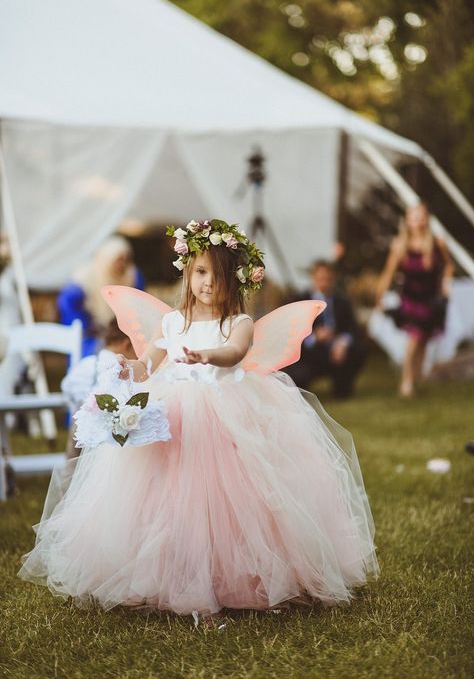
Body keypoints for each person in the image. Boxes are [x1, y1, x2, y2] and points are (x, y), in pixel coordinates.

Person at [19, 219, 378, 620]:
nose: (208, 283)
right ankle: (167, 568)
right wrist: (128, 367)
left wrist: (209, 355)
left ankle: (236, 572)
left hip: (228, 413)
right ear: (188, 273)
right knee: (167, 494)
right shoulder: (172, 323)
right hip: (174, 416)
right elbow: (149, 364)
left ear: (236, 281)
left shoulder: (237, 323)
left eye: (219, 275)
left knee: (232, 495)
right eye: (201, 272)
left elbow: (235, 353)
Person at [376, 203, 453, 398]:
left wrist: (446, 282)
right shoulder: (400, 245)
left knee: (424, 338)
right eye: (413, 216)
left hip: (429, 298)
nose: (416, 220)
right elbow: (388, 272)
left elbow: (448, 266)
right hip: (410, 299)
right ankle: (406, 381)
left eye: (420, 216)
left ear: (426, 219)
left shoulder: (437, 243)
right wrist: (380, 295)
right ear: (407, 220)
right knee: (415, 337)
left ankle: (416, 377)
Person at [285, 260, 367, 398]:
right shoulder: (300, 300)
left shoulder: (342, 301)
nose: (324, 282)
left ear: (333, 279)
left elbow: (352, 328)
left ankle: (342, 386)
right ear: (313, 279)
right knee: (300, 373)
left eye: (328, 279)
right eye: (320, 278)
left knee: (359, 349)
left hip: (335, 350)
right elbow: (292, 332)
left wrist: (342, 342)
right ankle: (302, 385)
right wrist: (314, 337)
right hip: (311, 353)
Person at [57, 235, 145, 357]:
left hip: (119, 331)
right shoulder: (84, 279)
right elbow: (68, 306)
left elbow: (138, 304)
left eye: (126, 259)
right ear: (107, 259)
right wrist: (88, 326)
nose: (122, 264)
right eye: (118, 259)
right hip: (90, 334)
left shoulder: (132, 276)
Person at [61, 319, 136, 458]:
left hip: (81, 429)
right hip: (111, 433)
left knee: (72, 473)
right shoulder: (124, 369)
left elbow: (67, 387)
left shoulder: (87, 363)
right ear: (127, 344)